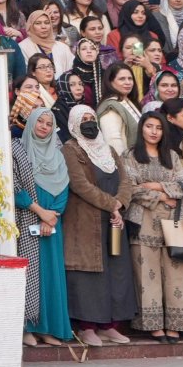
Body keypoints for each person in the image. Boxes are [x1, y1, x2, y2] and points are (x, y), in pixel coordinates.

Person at [61, 105, 138, 346]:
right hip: (86, 221)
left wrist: (120, 205)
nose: (88, 123)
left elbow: (126, 181)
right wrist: (112, 205)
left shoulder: (111, 150)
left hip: (112, 221)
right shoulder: (70, 149)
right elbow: (80, 184)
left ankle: (109, 326)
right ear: (74, 123)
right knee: (89, 275)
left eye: (91, 118)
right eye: (83, 119)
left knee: (115, 272)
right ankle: (87, 328)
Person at [122, 111, 183, 342]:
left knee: (179, 273)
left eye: (158, 127)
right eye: (149, 126)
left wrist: (154, 185)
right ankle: (153, 325)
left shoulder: (172, 156)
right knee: (147, 274)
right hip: (143, 221)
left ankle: (176, 323)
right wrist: (163, 195)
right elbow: (131, 188)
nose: (153, 132)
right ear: (141, 128)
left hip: (174, 220)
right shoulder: (130, 155)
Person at [13, 107, 73, 346]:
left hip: (53, 222)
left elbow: (64, 186)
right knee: (30, 274)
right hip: (27, 218)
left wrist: (53, 216)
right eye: (40, 122)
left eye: (49, 124)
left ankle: (48, 328)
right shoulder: (18, 150)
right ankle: (28, 327)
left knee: (51, 274)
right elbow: (15, 187)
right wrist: (41, 213)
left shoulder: (58, 154)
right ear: (31, 124)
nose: (44, 127)